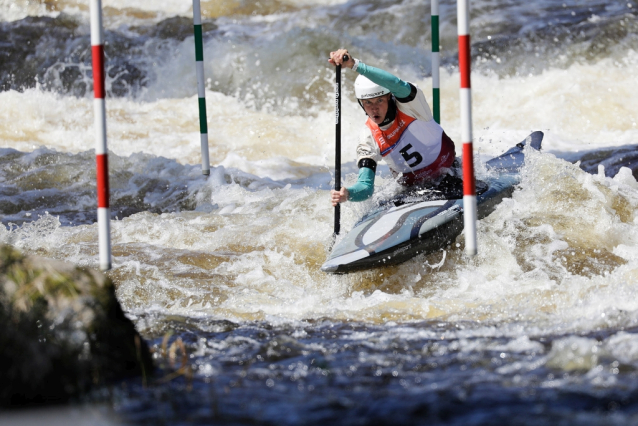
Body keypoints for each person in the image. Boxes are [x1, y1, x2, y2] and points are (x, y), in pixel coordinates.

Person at [328, 48, 457, 207]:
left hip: (450, 173)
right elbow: (366, 186)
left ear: (390, 97)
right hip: (412, 191)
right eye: (368, 103)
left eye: (379, 101)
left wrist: (355, 65)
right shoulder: (368, 135)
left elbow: (396, 84)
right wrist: (347, 194)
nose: (374, 108)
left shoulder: (411, 105)